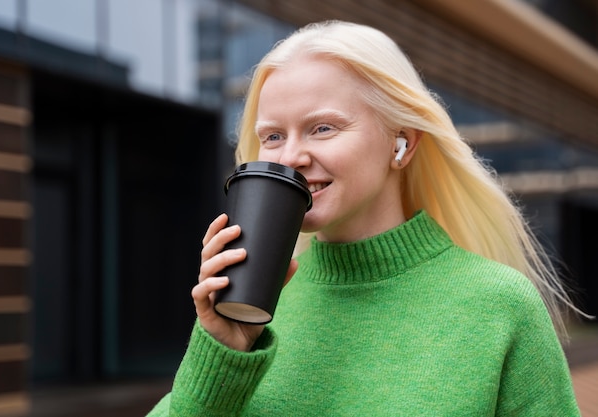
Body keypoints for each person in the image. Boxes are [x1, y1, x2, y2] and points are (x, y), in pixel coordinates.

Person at [148, 20, 582, 416]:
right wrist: (221, 351)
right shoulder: (253, 301)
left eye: (323, 128)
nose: (292, 157)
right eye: (274, 136)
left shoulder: (499, 303)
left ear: (402, 144)